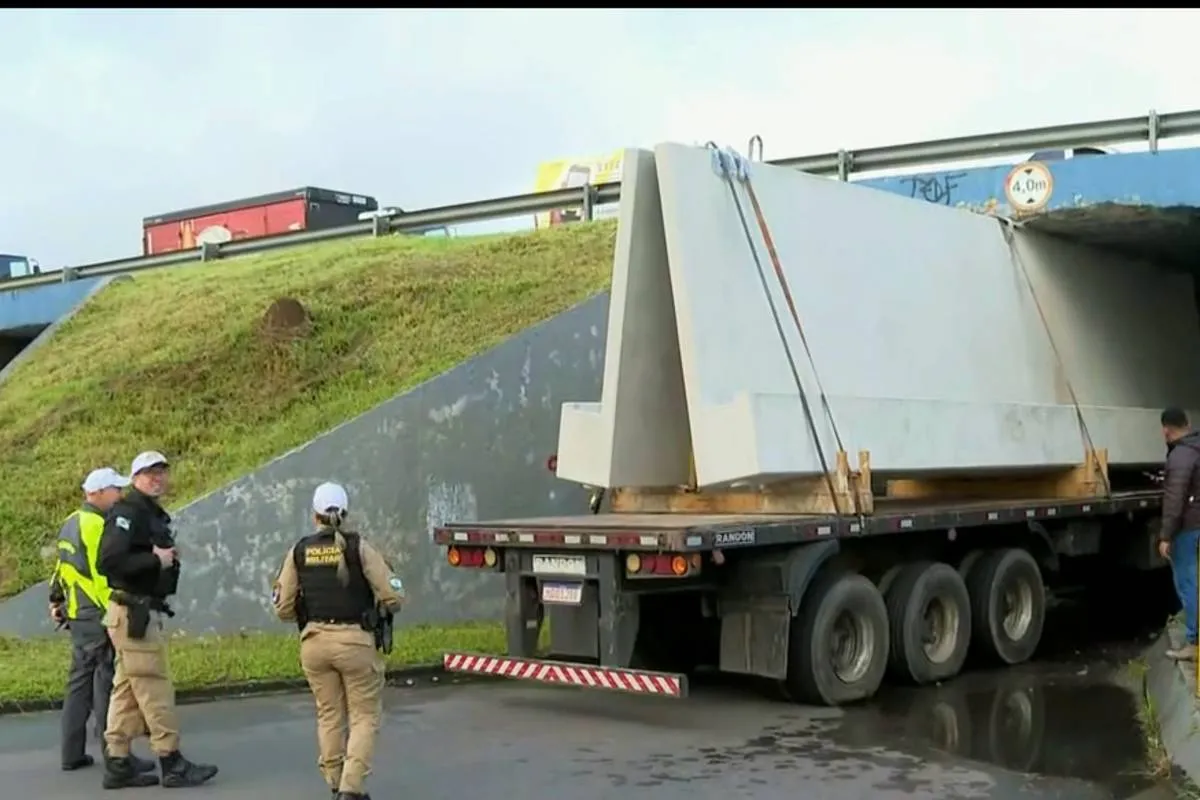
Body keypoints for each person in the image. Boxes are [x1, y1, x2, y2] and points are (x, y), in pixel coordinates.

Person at [272, 482, 404, 800]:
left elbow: (283, 608)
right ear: (345, 513)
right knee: (363, 716)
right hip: (356, 644)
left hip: (314, 644)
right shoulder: (359, 547)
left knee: (329, 714)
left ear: (314, 514)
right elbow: (393, 595)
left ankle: (334, 782)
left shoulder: (299, 550)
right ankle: (351, 788)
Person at [96, 450, 218, 789]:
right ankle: (172, 761)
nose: (157, 478)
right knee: (154, 689)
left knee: (127, 690)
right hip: (134, 613)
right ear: (134, 478)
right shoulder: (128, 511)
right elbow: (108, 561)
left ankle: (118, 760)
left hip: (135, 612)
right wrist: (154, 558)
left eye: (162, 471)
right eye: (149, 473)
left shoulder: (145, 512)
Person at [49, 467, 157, 779]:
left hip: (77, 613)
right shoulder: (97, 524)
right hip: (97, 613)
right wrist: (115, 609)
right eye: (114, 490)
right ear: (95, 493)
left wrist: (57, 600)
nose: (119, 495)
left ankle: (72, 753)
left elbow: (62, 567)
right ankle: (114, 753)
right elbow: (101, 575)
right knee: (106, 682)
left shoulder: (71, 521)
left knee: (79, 682)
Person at [1157, 407, 1200, 661]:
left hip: (1188, 527)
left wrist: (1165, 536)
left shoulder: (1181, 455)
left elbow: (1175, 499)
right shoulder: (1196, 448)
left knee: (1187, 583)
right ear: (1188, 423)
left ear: (1166, 429)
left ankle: (1194, 643)